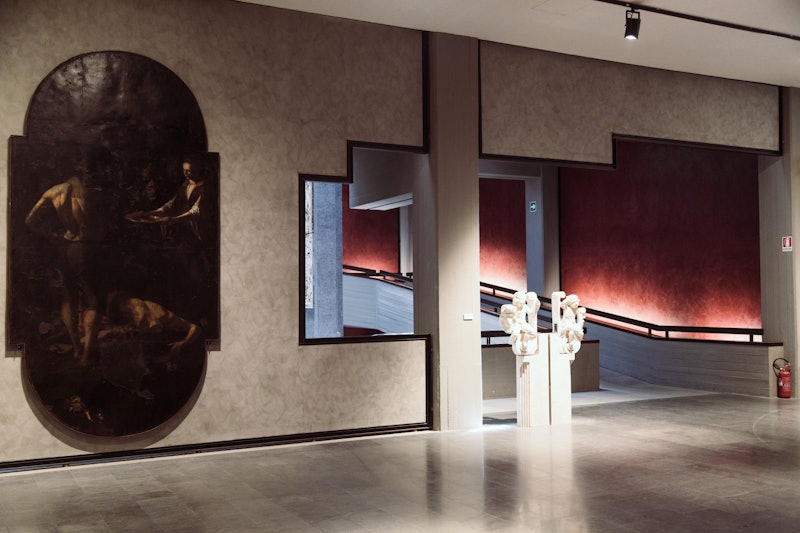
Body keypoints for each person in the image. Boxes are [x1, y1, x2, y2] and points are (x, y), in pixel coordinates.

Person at [25, 152, 108, 366]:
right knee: (94, 301)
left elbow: (29, 220)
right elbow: (99, 229)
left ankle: (76, 348)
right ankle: (86, 355)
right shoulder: (94, 193)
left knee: (68, 298)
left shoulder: (55, 192)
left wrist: (52, 235)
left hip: (66, 248)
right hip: (87, 249)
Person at [125, 154, 208, 241]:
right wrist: (148, 214)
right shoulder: (186, 184)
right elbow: (171, 204)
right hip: (186, 230)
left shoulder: (205, 187)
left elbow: (196, 211)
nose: (185, 173)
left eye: (189, 171)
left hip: (199, 230)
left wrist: (173, 219)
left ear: (197, 170)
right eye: (184, 170)